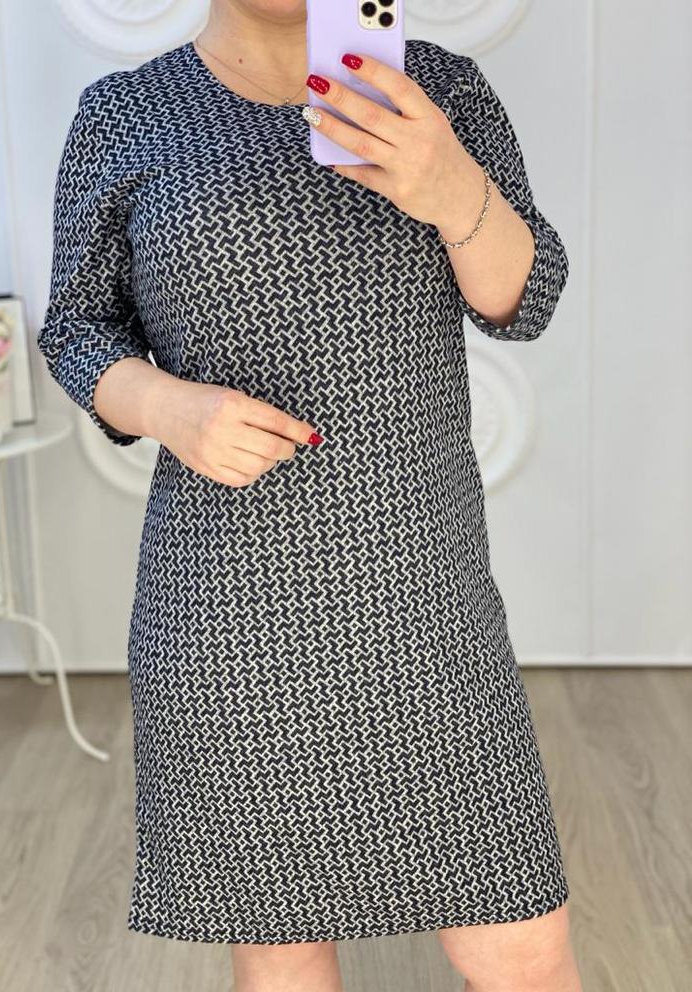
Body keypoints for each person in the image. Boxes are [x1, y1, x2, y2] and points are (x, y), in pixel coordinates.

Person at [37, 2, 583, 990]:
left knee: (524, 952)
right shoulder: (124, 115)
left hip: (423, 596)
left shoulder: (437, 91)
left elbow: (525, 299)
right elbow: (77, 330)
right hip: (229, 613)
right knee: (283, 951)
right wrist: (168, 408)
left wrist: (453, 189)